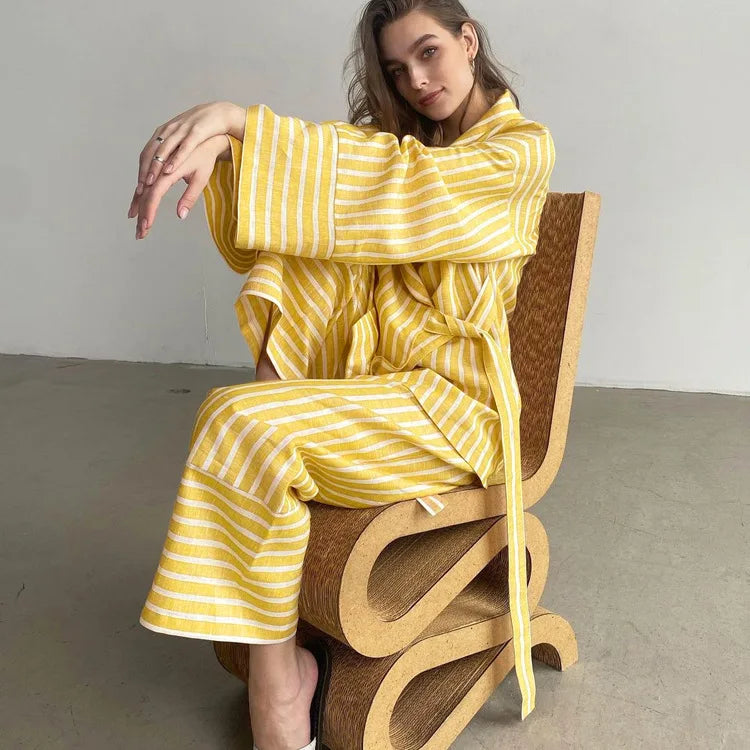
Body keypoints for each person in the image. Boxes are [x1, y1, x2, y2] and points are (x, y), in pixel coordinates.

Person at [127, 1, 555, 747]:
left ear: (468, 40)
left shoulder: (520, 151)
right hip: (383, 390)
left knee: (240, 423)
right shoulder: (407, 146)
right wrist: (227, 147)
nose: (416, 80)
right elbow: (355, 176)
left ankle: (280, 690)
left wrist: (237, 120)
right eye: (397, 68)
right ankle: (279, 436)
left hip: (455, 413)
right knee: (300, 255)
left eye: (429, 52)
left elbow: (403, 188)